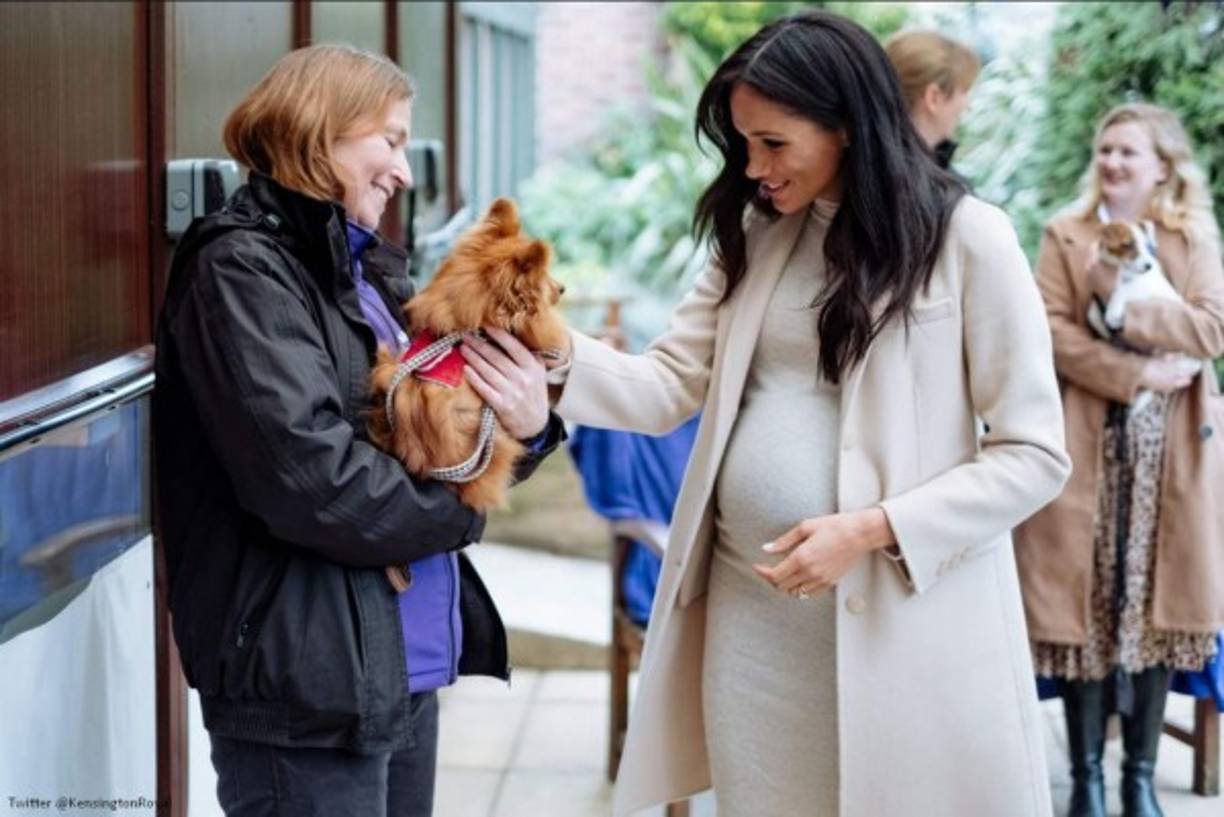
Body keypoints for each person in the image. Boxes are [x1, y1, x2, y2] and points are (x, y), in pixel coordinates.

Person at [464, 10, 1070, 817]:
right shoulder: (756, 232)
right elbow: (667, 384)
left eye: (774, 143)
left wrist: (871, 527)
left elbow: (1034, 455)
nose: (753, 168)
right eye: (744, 143)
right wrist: (546, 355)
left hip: (905, 627)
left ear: (849, 126)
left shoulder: (971, 240)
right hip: (754, 630)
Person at [153, 44, 562, 817]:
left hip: (395, 664)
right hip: (305, 683)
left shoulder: (365, 270)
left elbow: (435, 443)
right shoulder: (241, 271)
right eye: (393, 140)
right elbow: (312, 480)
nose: (405, 172)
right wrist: (464, 512)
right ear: (322, 131)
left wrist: (531, 426)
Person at [1015, 102, 1224, 817]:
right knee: (1089, 610)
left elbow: (1211, 328)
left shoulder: (1192, 237)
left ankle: (1138, 778)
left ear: (1162, 165)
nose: (1112, 162)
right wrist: (1133, 368)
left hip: (1171, 458)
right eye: (1106, 149)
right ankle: (1087, 781)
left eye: (1128, 152)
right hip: (1086, 447)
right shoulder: (1064, 233)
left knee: (1158, 609)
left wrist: (1127, 309)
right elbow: (1046, 331)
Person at [884, 29, 980, 168]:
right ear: (934, 97)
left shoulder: (862, 165)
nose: (967, 105)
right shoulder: (928, 184)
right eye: (964, 91)